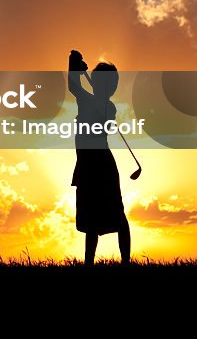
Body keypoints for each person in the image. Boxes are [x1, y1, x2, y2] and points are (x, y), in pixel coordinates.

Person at [67, 49, 131, 265]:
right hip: (90, 163)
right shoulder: (93, 102)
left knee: (116, 214)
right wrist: (74, 67)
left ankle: (124, 262)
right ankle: (91, 264)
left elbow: (75, 88)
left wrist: (74, 68)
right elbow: (75, 87)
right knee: (93, 218)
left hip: (99, 164)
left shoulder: (103, 105)